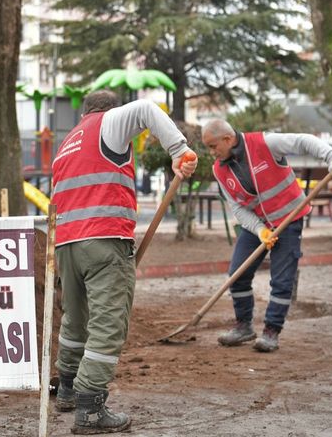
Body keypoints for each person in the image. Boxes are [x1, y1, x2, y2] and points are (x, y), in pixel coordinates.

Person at [51, 90, 197, 434]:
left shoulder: (68, 142)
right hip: (103, 240)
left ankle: (68, 388)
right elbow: (146, 108)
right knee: (107, 324)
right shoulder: (109, 123)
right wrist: (179, 150)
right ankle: (90, 407)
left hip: (66, 245)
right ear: (110, 110)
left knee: (75, 319)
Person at [201, 120, 332, 353]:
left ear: (228, 139)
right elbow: (237, 209)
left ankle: (271, 331)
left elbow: (303, 141)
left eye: (212, 146)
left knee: (281, 279)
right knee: (237, 273)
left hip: (289, 219)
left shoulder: (265, 143)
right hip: (256, 225)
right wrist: (260, 230)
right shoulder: (220, 169)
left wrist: (331, 158)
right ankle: (244, 326)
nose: (211, 152)